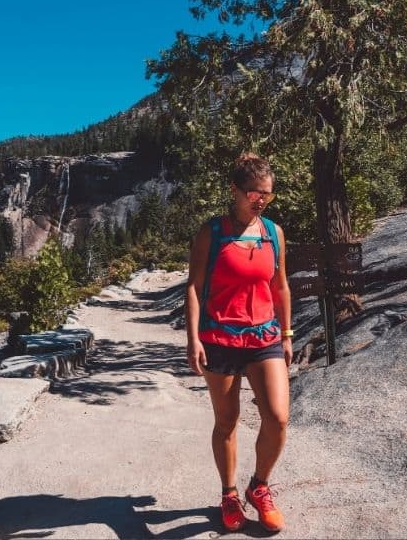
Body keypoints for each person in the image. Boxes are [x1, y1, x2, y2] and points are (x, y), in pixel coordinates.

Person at [185, 152, 292, 533]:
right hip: (219, 339)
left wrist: (287, 332)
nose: (260, 200)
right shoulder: (212, 232)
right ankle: (229, 495)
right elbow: (195, 289)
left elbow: (280, 287)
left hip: (264, 337)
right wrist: (193, 338)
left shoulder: (273, 234)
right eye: (253, 192)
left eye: (267, 194)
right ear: (234, 190)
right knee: (227, 422)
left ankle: (258, 487)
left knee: (278, 418)